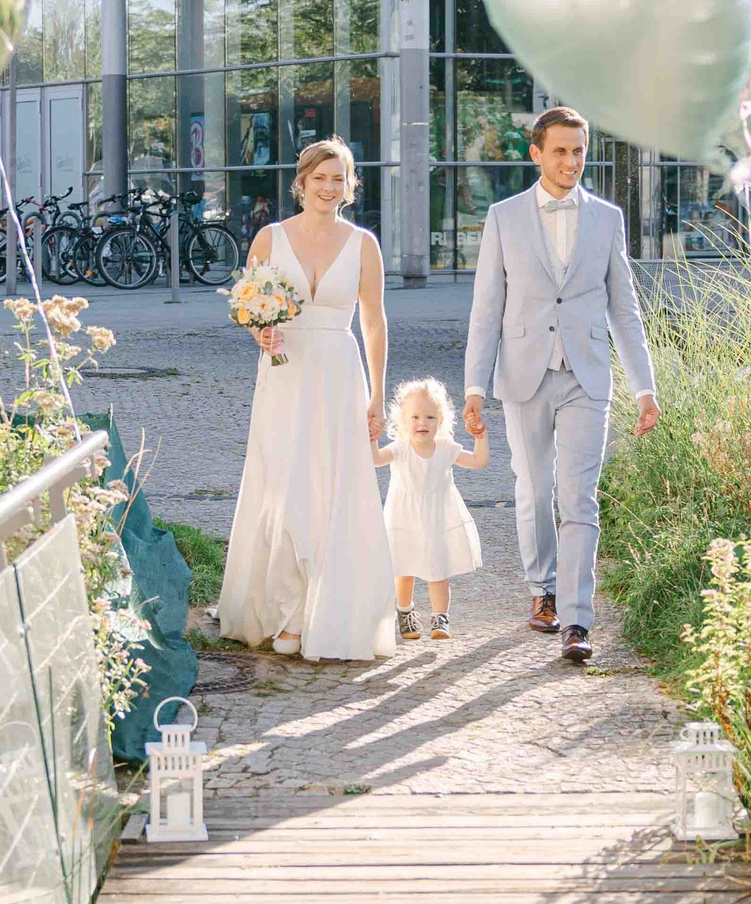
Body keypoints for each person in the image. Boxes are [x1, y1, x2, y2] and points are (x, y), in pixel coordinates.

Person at [462, 107, 659, 664]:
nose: (571, 162)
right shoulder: (503, 217)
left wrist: (644, 386)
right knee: (533, 488)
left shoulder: (607, 218)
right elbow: (486, 310)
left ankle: (576, 618)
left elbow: (625, 308)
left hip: (587, 374)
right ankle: (541, 590)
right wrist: (475, 386)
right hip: (523, 373)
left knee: (579, 497)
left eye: (578, 151)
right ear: (536, 154)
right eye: (560, 151)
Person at [216, 139, 396, 661]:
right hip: (285, 371)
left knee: (333, 483)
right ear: (302, 182)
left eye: (339, 178)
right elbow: (249, 307)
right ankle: (284, 609)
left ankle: (321, 610)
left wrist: (379, 393)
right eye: (320, 177)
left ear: (350, 186)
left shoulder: (363, 244)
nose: (328, 187)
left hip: (340, 372)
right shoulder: (270, 239)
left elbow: (374, 320)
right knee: (282, 479)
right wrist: (261, 334)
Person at [374, 377, 487, 642]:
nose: (422, 423)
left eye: (429, 417)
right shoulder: (400, 449)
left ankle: (440, 617)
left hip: (437, 517)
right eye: (414, 417)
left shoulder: (446, 449)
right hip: (404, 517)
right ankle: (405, 611)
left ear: (441, 421)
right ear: (402, 422)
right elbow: (375, 459)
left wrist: (480, 437)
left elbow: (479, 461)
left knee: (439, 569)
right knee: (404, 568)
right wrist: (372, 438)